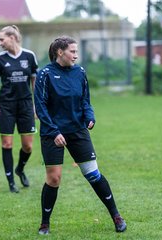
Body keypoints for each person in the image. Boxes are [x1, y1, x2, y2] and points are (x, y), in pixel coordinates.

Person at [34, 36, 127, 235]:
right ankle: (44, 223)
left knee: (93, 174)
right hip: (52, 133)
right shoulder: (45, 74)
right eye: (72, 51)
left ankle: (117, 216)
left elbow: (85, 99)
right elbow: (40, 107)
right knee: (54, 179)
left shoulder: (80, 72)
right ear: (60, 52)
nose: (76, 55)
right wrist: (54, 131)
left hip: (77, 130)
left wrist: (90, 116)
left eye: (77, 51)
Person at [0, 25, 38, 193]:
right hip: (6, 106)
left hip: (25, 105)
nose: (0, 43)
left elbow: (34, 81)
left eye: (2, 39)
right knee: (7, 143)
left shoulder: (29, 56)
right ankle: (11, 182)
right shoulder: (0, 58)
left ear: (12, 37)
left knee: (28, 146)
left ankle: (20, 169)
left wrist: (36, 104)